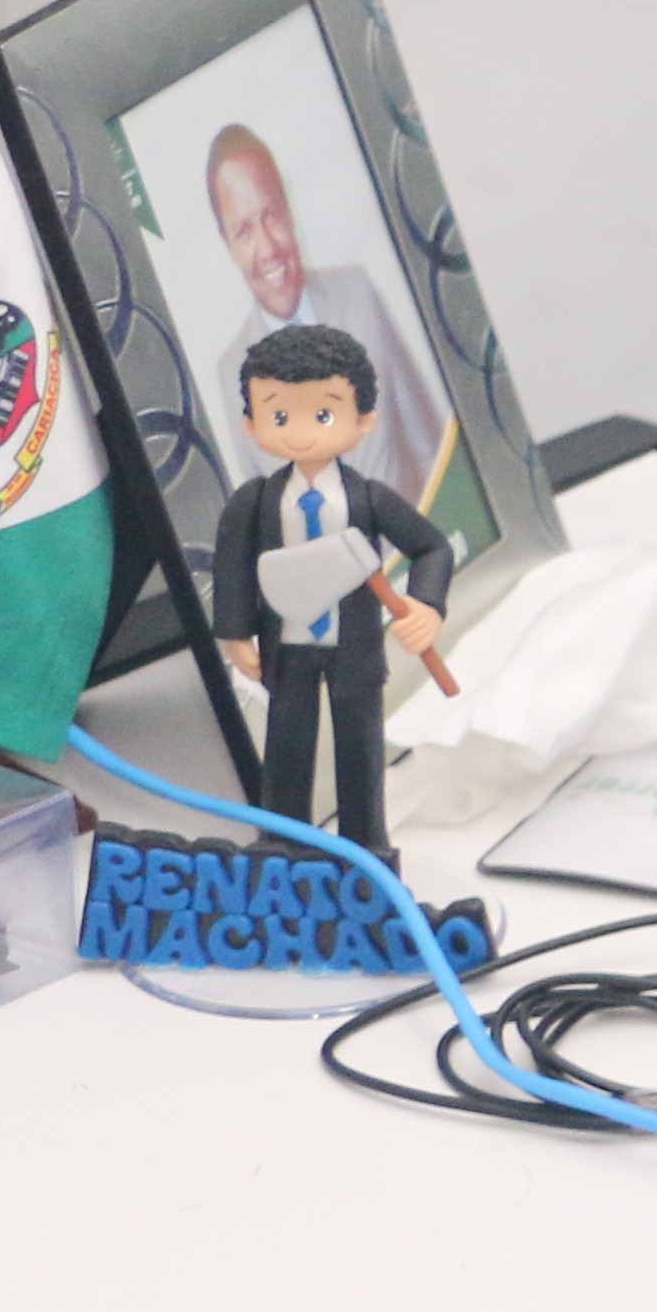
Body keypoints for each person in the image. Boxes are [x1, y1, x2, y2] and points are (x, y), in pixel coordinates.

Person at [208, 321, 454, 867]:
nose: (300, 434)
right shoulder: (256, 502)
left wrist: (427, 605)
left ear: (363, 419)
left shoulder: (369, 499)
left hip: (354, 652)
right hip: (288, 650)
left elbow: (432, 547)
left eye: (322, 415)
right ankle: (282, 847)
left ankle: (366, 851)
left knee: (360, 756)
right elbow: (232, 568)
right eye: (279, 416)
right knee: (286, 752)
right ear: (251, 424)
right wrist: (235, 632)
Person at [200, 125, 452, 514]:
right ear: (227, 243)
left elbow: (432, 449)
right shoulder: (231, 373)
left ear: (288, 208)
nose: (267, 248)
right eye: (245, 231)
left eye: (271, 215)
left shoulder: (358, 294)